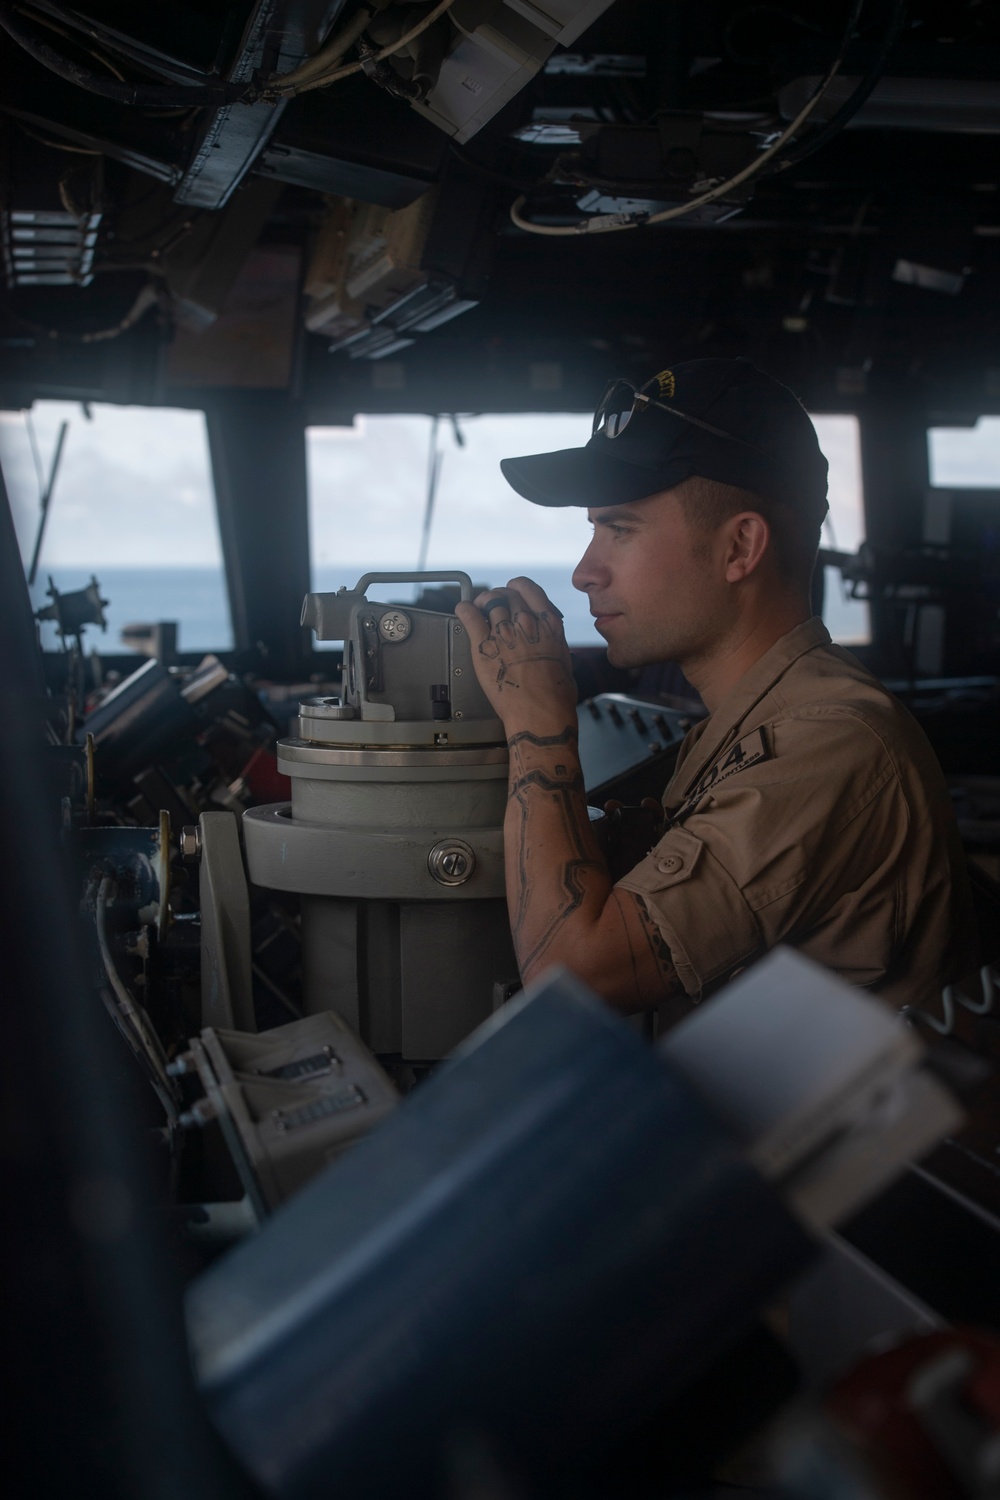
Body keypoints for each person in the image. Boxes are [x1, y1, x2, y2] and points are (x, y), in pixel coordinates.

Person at [454, 358, 977, 1023]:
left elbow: (574, 976)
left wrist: (538, 727)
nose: (586, 571)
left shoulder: (829, 741)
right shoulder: (740, 726)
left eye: (620, 530)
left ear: (740, 549)